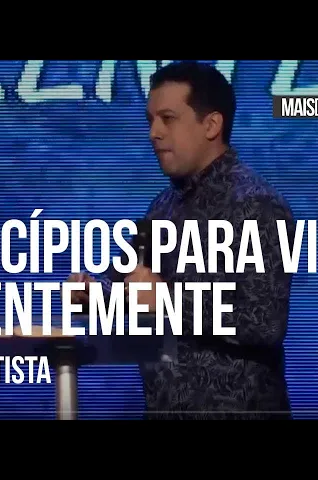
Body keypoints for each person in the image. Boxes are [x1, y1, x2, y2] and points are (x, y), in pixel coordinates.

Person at [68, 60, 295, 419]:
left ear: (211, 125)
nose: (153, 133)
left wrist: (166, 301)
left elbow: (264, 322)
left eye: (168, 119)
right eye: (150, 120)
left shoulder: (258, 205)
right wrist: (93, 295)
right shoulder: (163, 206)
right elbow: (126, 285)